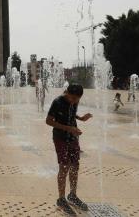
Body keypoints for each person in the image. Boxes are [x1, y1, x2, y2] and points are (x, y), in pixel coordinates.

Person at [46, 84, 93, 215]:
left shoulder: (74, 100)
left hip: (73, 137)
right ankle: (61, 199)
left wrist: (81, 118)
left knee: (75, 166)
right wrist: (68, 128)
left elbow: (70, 113)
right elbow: (48, 121)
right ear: (67, 93)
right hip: (60, 138)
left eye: (77, 99)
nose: (74, 101)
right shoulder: (57, 102)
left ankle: (72, 195)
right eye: (72, 98)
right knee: (64, 167)